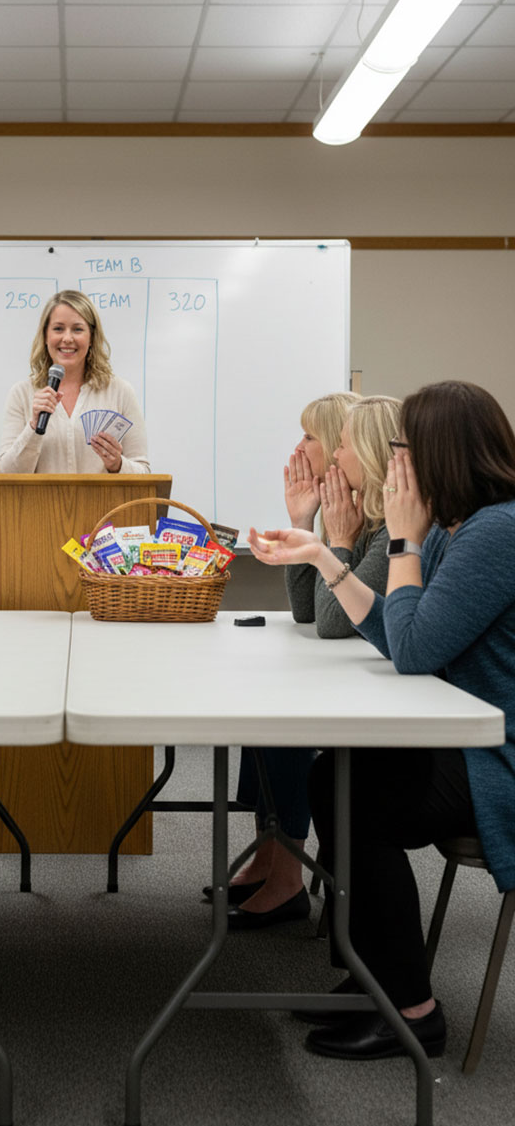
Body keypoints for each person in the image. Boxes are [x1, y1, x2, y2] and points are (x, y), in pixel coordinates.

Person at [248, 379, 515, 1060]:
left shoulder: (494, 533)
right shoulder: (459, 530)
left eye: (406, 450)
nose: (398, 464)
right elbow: (399, 635)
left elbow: (415, 650)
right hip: (462, 734)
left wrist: (401, 539)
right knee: (336, 779)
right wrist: (319, 557)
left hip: (496, 756)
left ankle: (413, 1010)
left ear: (441, 455)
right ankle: (373, 977)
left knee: (358, 798)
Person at [219, 394, 400, 929]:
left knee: (284, 719)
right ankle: (273, 857)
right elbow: (305, 611)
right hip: (363, 676)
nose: (300, 450)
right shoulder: (353, 515)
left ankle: (287, 876)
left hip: (386, 694)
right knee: (266, 703)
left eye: (316, 440)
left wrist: (334, 543)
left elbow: (330, 623)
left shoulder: (383, 527)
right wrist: (307, 520)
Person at [0, 289, 150, 474]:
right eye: (58, 329)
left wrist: (118, 465)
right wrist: (33, 428)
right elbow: (6, 475)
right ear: (45, 336)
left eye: (77, 329)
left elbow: (143, 472)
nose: (67, 338)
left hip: (106, 504)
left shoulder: (120, 392)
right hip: (40, 504)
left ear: (91, 337)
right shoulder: (21, 394)